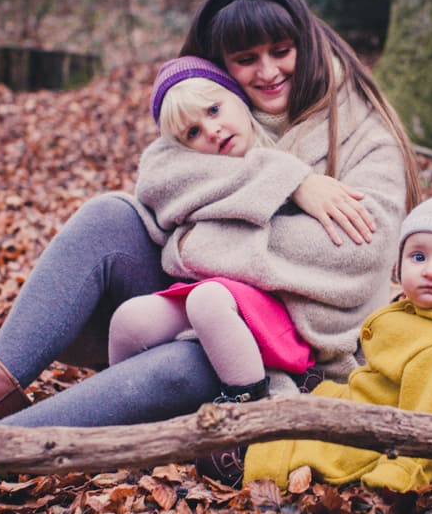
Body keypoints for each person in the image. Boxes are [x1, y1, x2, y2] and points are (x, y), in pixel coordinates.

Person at [0, 0, 420, 445]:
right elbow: (158, 178)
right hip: (196, 300)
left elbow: (360, 253)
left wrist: (199, 244)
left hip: (294, 347)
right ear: (221, 67)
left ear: (304, 45)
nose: (267, 72)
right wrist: (290, 183)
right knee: (108, 216)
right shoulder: (217, 111)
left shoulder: (361, 128)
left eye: (281, 51)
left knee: (189, 364)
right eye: (246, 59)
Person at [243, 193, 432, 494]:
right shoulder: (429, 314)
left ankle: (248, 459)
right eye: (418, 257)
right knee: (316, 400)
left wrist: (396, 479)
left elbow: (428, 427)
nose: (431, 271)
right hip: (380, 400)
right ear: (399, 263)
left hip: (397, 430)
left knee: (308, 449)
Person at [108, 55, 315, 404]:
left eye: (214, 110)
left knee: (208, 300)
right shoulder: (198, 181)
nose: (211, 130)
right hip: (213, 290)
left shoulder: (285, 157)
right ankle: (122, 405)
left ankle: (248, 403)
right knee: (130, 319)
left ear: (237, 96)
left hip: (277, 308)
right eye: (193, 132)